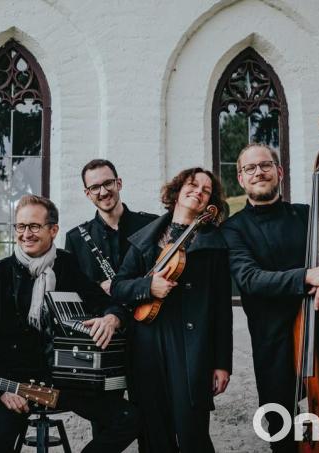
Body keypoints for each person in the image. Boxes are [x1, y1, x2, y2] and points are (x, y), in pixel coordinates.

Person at [220, 144, 319, 452]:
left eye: (266, 165)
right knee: (281, 430)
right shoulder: (233, 228)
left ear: (279, 172)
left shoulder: (305, 215)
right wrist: (310, 276)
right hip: (274, 345)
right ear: (241, 179)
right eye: (250, 168)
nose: (259, 172)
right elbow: (249, 278)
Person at [0, 194, 139, 453]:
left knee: (129, 419)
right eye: (21, 226)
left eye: (34, 226)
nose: (26, 234)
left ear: (53, 230)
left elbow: (104, 302)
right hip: (14, 383)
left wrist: (112, 318)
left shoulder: (67, 266)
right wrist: (2, 389)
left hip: (65, 382)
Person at [112, 167, 233, 452]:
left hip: (192, 347)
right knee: (154, 435)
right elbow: (119, 287)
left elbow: (221, 309)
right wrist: (147, 287)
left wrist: (222, 363)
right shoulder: (147, 238)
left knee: (193, 435)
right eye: (193, 185)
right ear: (177, 191)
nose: (199, 192)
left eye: (206, 190)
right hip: (147, 343)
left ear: (209, 203)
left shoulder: (214, 244)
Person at [65, 159, 157, 295]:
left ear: (118, 184)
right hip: (103, 315)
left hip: (149, 313)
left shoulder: (151, 225)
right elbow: (73, 290)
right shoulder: (75, 239)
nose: (103, 192)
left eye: (108, 183)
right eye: (95, 187)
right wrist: (97, 288)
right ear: (88, 194)